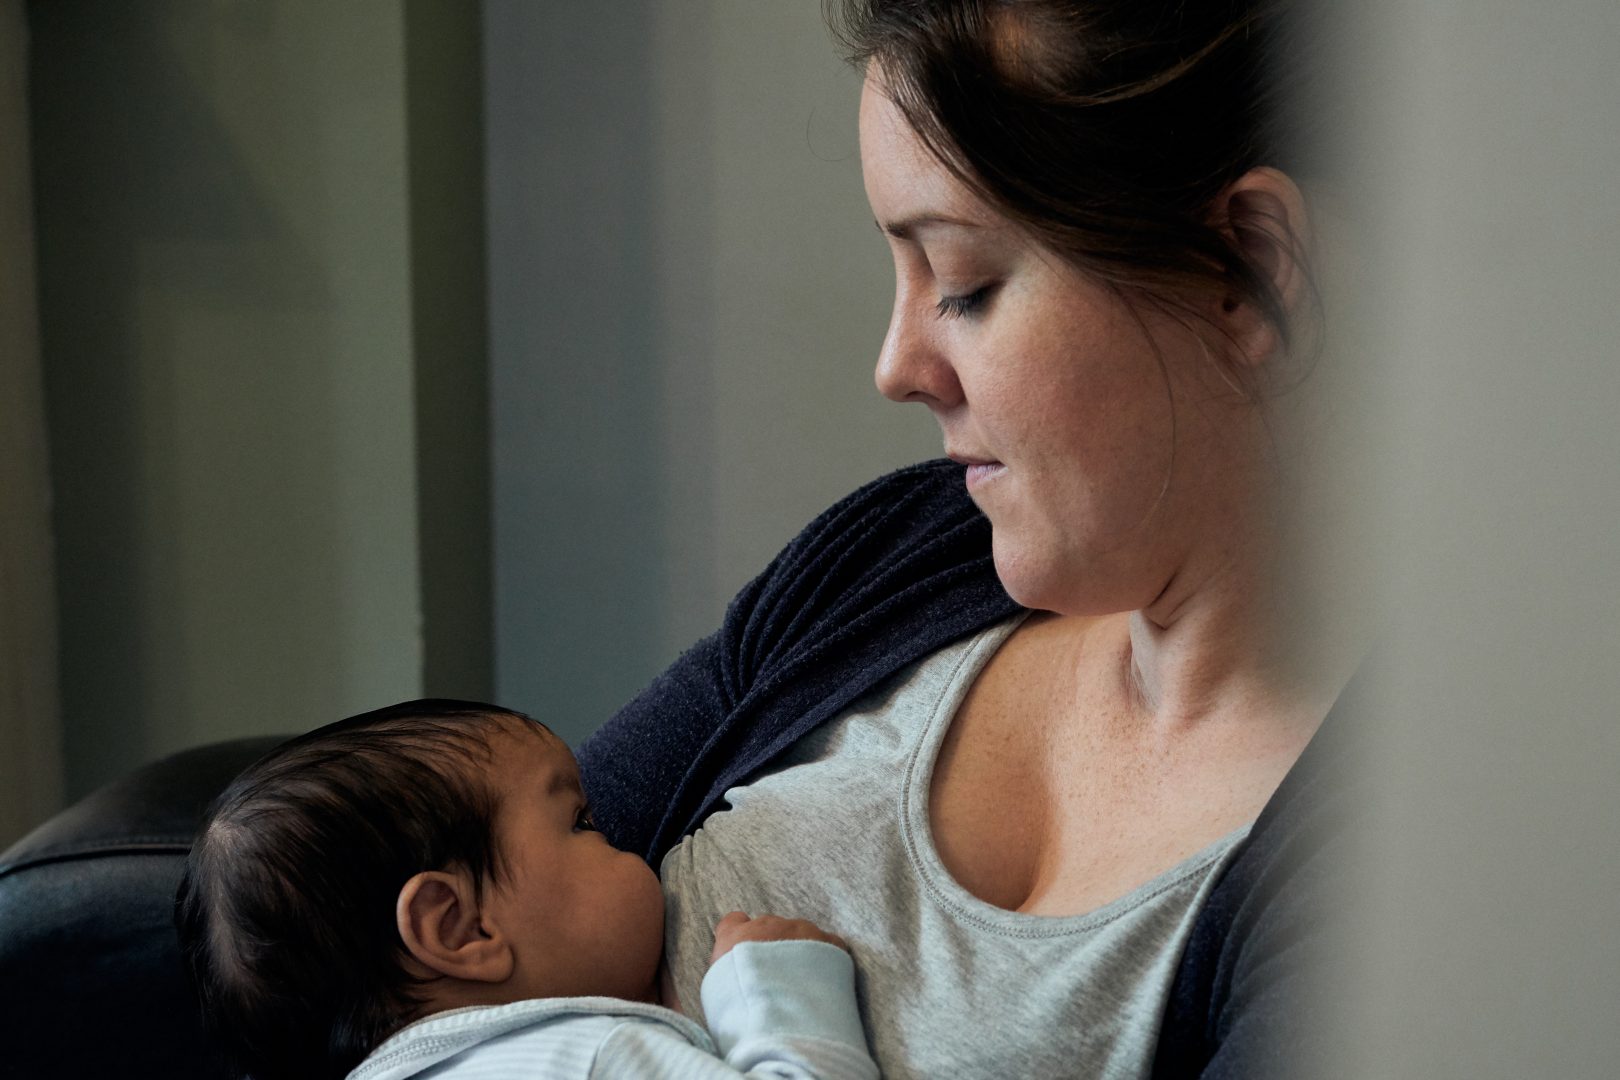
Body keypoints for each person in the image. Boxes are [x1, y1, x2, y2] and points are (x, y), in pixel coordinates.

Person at [577, 2, 1366, 1078]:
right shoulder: (899, 554)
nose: (897, 365)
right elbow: (412, 924)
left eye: (964, 284)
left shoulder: (1389, 876)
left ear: (1248, 273)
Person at [174, 700, 880, 1080]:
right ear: (459, 930)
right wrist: (775, 993)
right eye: (579, 821)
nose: (627, 840)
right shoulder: (582, 1057)